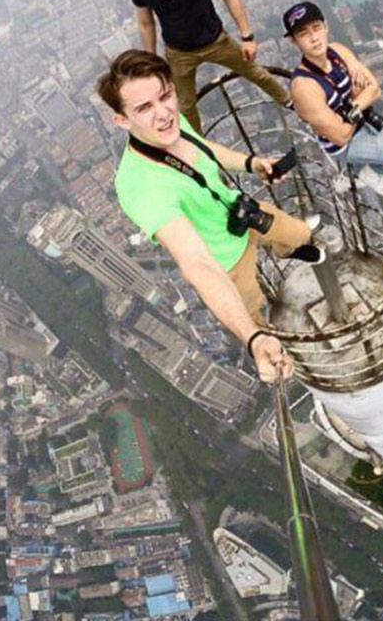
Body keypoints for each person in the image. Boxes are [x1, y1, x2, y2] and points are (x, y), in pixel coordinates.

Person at [97, 50, 324, 383]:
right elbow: (196, 263)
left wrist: (251, 164)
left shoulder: (172, 123)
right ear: (122, 120)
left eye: (165, 95)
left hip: (242, 211)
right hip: (226, 263)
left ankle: (287, 249)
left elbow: (206, 150)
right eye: (144, 108)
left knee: (300, 233)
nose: (163, 113)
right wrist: (254, 339)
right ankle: (269, 345)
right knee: (255, 313)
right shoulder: (139, 186)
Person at [122, 0, 290, 133]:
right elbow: (146, 23)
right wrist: (150, 60)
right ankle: (196, 144)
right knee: (185, 105)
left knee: (258, 74)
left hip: (216, 41)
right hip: (179, 52)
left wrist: (247, 37)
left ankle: (290, 102)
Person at [283, 2, 383, 198]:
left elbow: (375, 89)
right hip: (346, 146)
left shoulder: (337, 51)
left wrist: (350, 110)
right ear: (293, 41)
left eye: (316, 28)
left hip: (364, 121)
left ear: (326, 26)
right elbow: (341, 136)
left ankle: (361, 170)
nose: (314, 38)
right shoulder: (304, 87)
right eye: (303, 34)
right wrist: (357, 98)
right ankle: (365, 171)